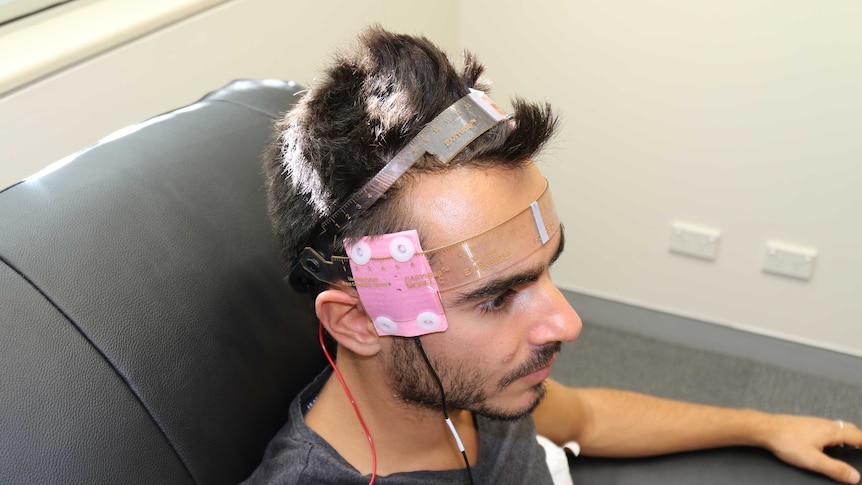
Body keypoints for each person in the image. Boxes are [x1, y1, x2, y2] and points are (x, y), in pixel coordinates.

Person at [243, 27, 861, 484]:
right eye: (497, 296)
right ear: (358, 321)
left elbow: (584, 418)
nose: (568, 322)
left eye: (547, 269)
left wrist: (761, 425)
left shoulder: (475, 386)